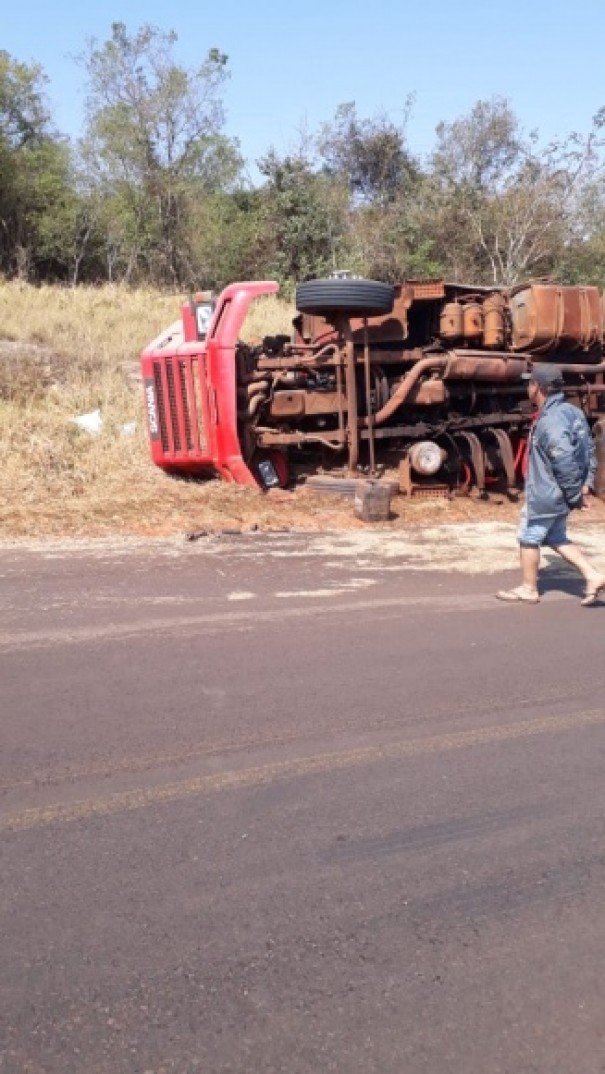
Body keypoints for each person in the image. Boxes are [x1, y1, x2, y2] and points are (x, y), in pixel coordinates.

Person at [496, 364, 604, 606]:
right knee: (556, 536)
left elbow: (562, 458)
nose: (527, 387)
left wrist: (574, 493)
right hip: (560, 491)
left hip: (548, 492)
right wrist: (585, 483)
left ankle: (528, 588)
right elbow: (589, 450)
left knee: (528, 536)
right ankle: (593, 574)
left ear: (538, 389)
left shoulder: (550, 420)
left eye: (530, 383)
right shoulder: (572, 412)